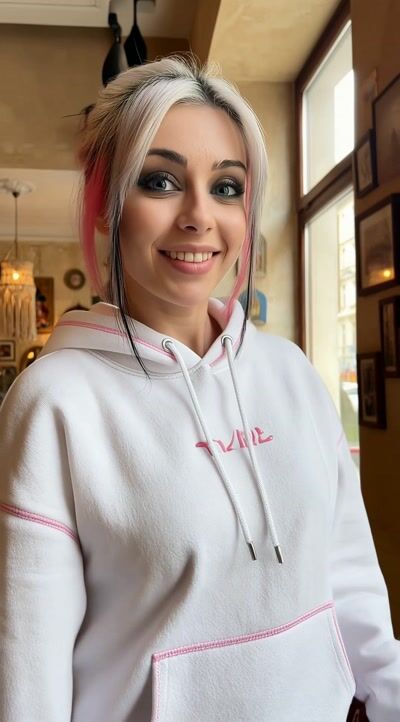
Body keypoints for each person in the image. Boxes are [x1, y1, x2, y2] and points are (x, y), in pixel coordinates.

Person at [0, 55, 399, 722]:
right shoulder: (53, 404)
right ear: (105, 208)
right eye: (160, 181)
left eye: (226, 187)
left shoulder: (291, 372)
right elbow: (28, 668)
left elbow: (350, 574)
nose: (199, 216)